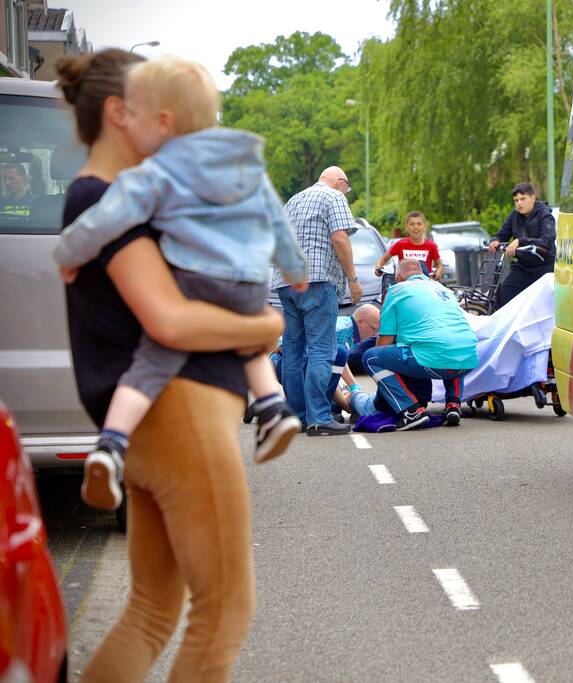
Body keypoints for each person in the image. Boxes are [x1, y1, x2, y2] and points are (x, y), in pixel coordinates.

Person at [56, 48, 281, 682]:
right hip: (180, 411)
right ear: (118, 112)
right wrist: (264, 327)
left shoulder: (110, 201)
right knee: (225, 608)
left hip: (156, 419)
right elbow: (169, 320)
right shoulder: (105, 199)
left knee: (153, 609)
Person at [52, 55, 307, 510]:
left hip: (195, 278)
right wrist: (291, 274)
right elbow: (275, 218)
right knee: (250, 346)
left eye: (140, 114)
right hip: (248, 281)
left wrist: (67, 254)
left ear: (164, 121)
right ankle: (273, 404)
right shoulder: (244, 162)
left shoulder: (156, 173)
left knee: (151, 362)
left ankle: (111, 443)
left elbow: (106, 220)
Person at [273, 166, 362, 436]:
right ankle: (319, 418)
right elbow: (340, 238)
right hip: (317, 281)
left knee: (293, 352)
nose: (346, 192)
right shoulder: (334, 196)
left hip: (286, 281)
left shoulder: (293, 201)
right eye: (347, 188)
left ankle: (298, 417)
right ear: (340, 183)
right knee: (322, 349)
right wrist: (353, 279)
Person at [361, 258, 478, 430]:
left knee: (371, 358)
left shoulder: (395, 290)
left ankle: (411, 411)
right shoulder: (443, 289)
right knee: (453, 348)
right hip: (468, 359)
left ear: (398, 277)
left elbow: (384, 343)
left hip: (432, 362)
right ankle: (453, 404)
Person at [487, 182, 557, 309]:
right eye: (516, 200)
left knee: (541, 305)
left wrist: (521, 241)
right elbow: (502, 234)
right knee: (503, 292)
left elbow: (547, 241)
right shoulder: (514, 215)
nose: (519, 203)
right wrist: (495, 240)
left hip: (544, 268)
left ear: (533, 198)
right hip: (523, 267)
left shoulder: (545, 215)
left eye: (523, 199)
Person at [326, 303, 380, 408]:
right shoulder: (343, 333)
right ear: (360, 322)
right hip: (301, 369)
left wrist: (354, 387)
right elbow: (330, 373)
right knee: (336, 405)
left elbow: (341, 364)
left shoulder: (348, 327)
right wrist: (345, 404)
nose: (375, 335)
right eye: (374, 329)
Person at [374, 210, 442, 280]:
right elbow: (383, 259)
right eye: (412, 224)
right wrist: (378, 267)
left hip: (424, 283)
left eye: (419, 224)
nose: (415, 227)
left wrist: (437, 273)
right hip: (404, 284)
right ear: (406, 227)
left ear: (424, 226)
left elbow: (439, 265)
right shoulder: (400, 244)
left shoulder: (431, 246)